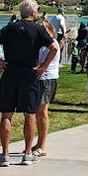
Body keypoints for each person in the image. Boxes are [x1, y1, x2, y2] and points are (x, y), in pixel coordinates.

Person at [0, 0, 58, 167]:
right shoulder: (38, 29)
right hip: (29, 74)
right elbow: (54, 47)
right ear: (33, 13)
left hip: (10, 72)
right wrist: (43, 66)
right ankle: (27, 153)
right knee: (29, 114)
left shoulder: (10, 28)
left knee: (6, 115)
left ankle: (5, 155)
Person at [33, 17, 60, 157]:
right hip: (38, 78)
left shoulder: (50, 44)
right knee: (36, 113)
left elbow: (41, 62)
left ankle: (42, 145)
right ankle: (38, 142)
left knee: (42, 112)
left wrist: (39, 67)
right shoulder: (40, 43)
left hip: (46, 79)